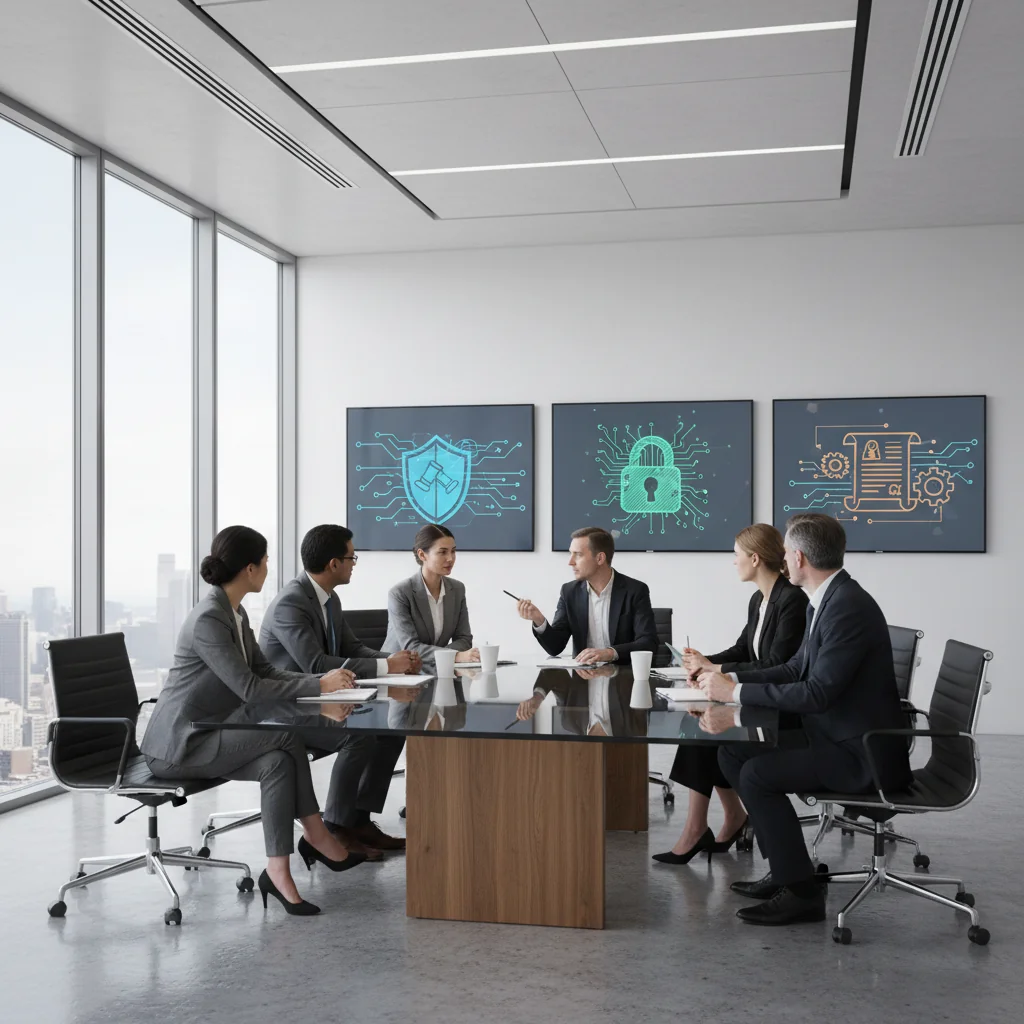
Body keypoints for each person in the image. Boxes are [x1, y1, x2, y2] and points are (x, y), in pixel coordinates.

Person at [697, 513, 912, 926]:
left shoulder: (846, 607)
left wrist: (735, 693)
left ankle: (801, 893)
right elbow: (796, 668)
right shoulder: (827, 598)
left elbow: (818, 693)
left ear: (796, 557)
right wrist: (729, 678)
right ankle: (785, 868)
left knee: (759, 774)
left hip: (860, 753)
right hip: (834, 737)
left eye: (784, 553)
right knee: (733, 754)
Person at [141, 526, 366, 918]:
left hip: (214, 729)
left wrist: (322, 687)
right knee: (284, 737)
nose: (268, 567)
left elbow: (266, 671)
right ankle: (316, 835)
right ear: (249, 568)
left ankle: (278, 871)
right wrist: (318, 688)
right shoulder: (210, 619)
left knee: (277, 762)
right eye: (264, 561)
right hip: (182, 743)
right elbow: (249, 687)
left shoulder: (235, 612)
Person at [653, 524, 808, 865]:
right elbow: (744, 648)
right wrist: (706, 661)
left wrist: (717, 671)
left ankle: (701, 828)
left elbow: (777, 663)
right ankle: (714, 821)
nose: (733, 562)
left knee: (706, 732)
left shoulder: (791, 601)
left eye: (736, 555)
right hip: (755, 697)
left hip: (779, 708)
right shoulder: (760, 599)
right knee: (700, 728)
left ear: (755, 558)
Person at [259, 524, 417, 856]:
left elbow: (354, 648)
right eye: (351, 557)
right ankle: (335, 827)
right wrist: (389, 667)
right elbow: (315, 664)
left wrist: (395, 659)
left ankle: (358, 820)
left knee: (391, 727)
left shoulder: (329, 599)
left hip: (322, 700)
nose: (354, 563)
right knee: (357, 734)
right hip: (289, 707)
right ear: (334, 564)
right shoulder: (291, 603)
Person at [516, 526, 658, 664]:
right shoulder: (569, 592)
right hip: (583, 679)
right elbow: (555, 647)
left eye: (578, 555)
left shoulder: (635, 590)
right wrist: (539, 619)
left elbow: (648, 643)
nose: (570, 562)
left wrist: (609, 653)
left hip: (623, 680)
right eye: (570, 554)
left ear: (600, 558)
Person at [383, 524, 479, 670]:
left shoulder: (457, 589)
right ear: (422, 555)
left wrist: (446, 656)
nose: (450, 558)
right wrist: (455, 656)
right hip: (398, 674)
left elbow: (464, 639)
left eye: (453, 551)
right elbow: (411, 648)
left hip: (434, 669)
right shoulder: (400, 593)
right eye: (442, 552)